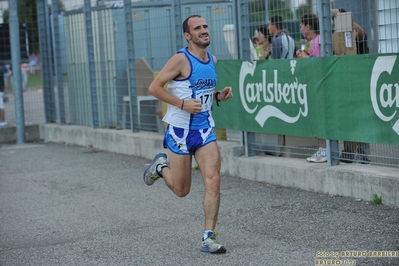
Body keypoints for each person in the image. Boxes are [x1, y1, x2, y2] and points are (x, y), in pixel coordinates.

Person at [143, 15, 233, 254]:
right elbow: (154, 88)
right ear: (188, 35)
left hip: (204, 131)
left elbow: (203, 94)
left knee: (213, 180)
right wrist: (181, 104)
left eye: (205, 26)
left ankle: (208, 237)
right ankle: (160, 168)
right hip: (180, 131)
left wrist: (218, 96)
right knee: (182, 191)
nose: (204, 30)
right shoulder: (180, 59)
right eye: (198, 28)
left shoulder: (212, 59)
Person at [331, 8, 370, 164]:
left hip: (358, 82)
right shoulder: (337, 38)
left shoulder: (357, 34)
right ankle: (348, 153)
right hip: (344, 83)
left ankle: (363, 156)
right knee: (347, 118)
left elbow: (360, 33)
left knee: (360, 118)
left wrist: (342, 17)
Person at [296, 14, 327, 163]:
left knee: (321, 117)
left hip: (321, 85)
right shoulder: (313, 42)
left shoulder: (319, 41)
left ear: (308, 26)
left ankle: (326, 150)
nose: (301, 29)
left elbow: (320, 62)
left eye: (302, 26)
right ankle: (323, 149)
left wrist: (306, 57)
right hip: (316, 85)